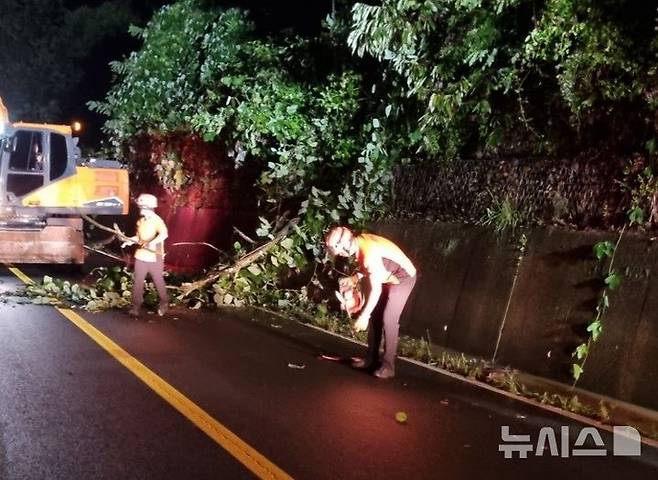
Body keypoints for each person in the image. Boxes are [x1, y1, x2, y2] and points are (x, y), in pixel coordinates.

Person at [324, 226, 417, 379]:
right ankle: (371, 359)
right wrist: (354, 278)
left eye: (339, 250)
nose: (340, 254)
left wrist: (363, 316)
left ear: (346, 244)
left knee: (389, 318)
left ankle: (388, 366)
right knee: (375, 314)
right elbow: (370, 267)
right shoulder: (360, 242)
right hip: (387, 274)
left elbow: (376, 290)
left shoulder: (368, 253)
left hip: (403, 278)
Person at [123, 193, 169, 317]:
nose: (140, 209)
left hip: (155, 257)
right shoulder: (141, 221)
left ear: (149, 207)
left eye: (142, 207)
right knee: (138, 281)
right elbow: (138, 237)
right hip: (141, 256)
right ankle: (135, 305)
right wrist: (128, 241)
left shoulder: (157, 220)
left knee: (158, 280)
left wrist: (152, 243)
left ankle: (164, 302)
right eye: (140, 206)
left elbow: (164, 234)